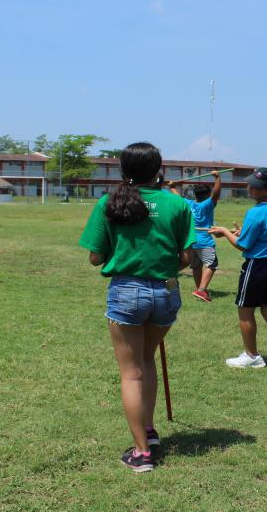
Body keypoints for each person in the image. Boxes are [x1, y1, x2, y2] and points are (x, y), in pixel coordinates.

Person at [78, 142, 196, 473]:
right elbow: (187, 258)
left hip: (126, 293)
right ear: (159, 171)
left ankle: (142, 453)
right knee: (147, 359)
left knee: (131, 372)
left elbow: (95, 257)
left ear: (123, 172)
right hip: (166, 292)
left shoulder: (108, 203)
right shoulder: (177, 204)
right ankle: (148, 430)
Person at [208, 168, 267, 373]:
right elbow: (265, 234)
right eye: (250, 183)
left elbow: (243, 245)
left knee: (245, 311)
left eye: (256, 186)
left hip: (258, 266)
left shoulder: (255, 212)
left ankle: (252, 356)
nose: (250, 188)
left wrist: (224, 231)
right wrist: (244, 232)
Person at [168, 172, 222, 302]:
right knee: (212, 264)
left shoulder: (188, 203)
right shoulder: (207, 205)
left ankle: (200, 289)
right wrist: (218, 178)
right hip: (204, 241)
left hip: (191, 240)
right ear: (207, 195)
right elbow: (216, 194)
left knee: (196, 267)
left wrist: (172, 186)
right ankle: (202, 290)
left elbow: (176, 196)